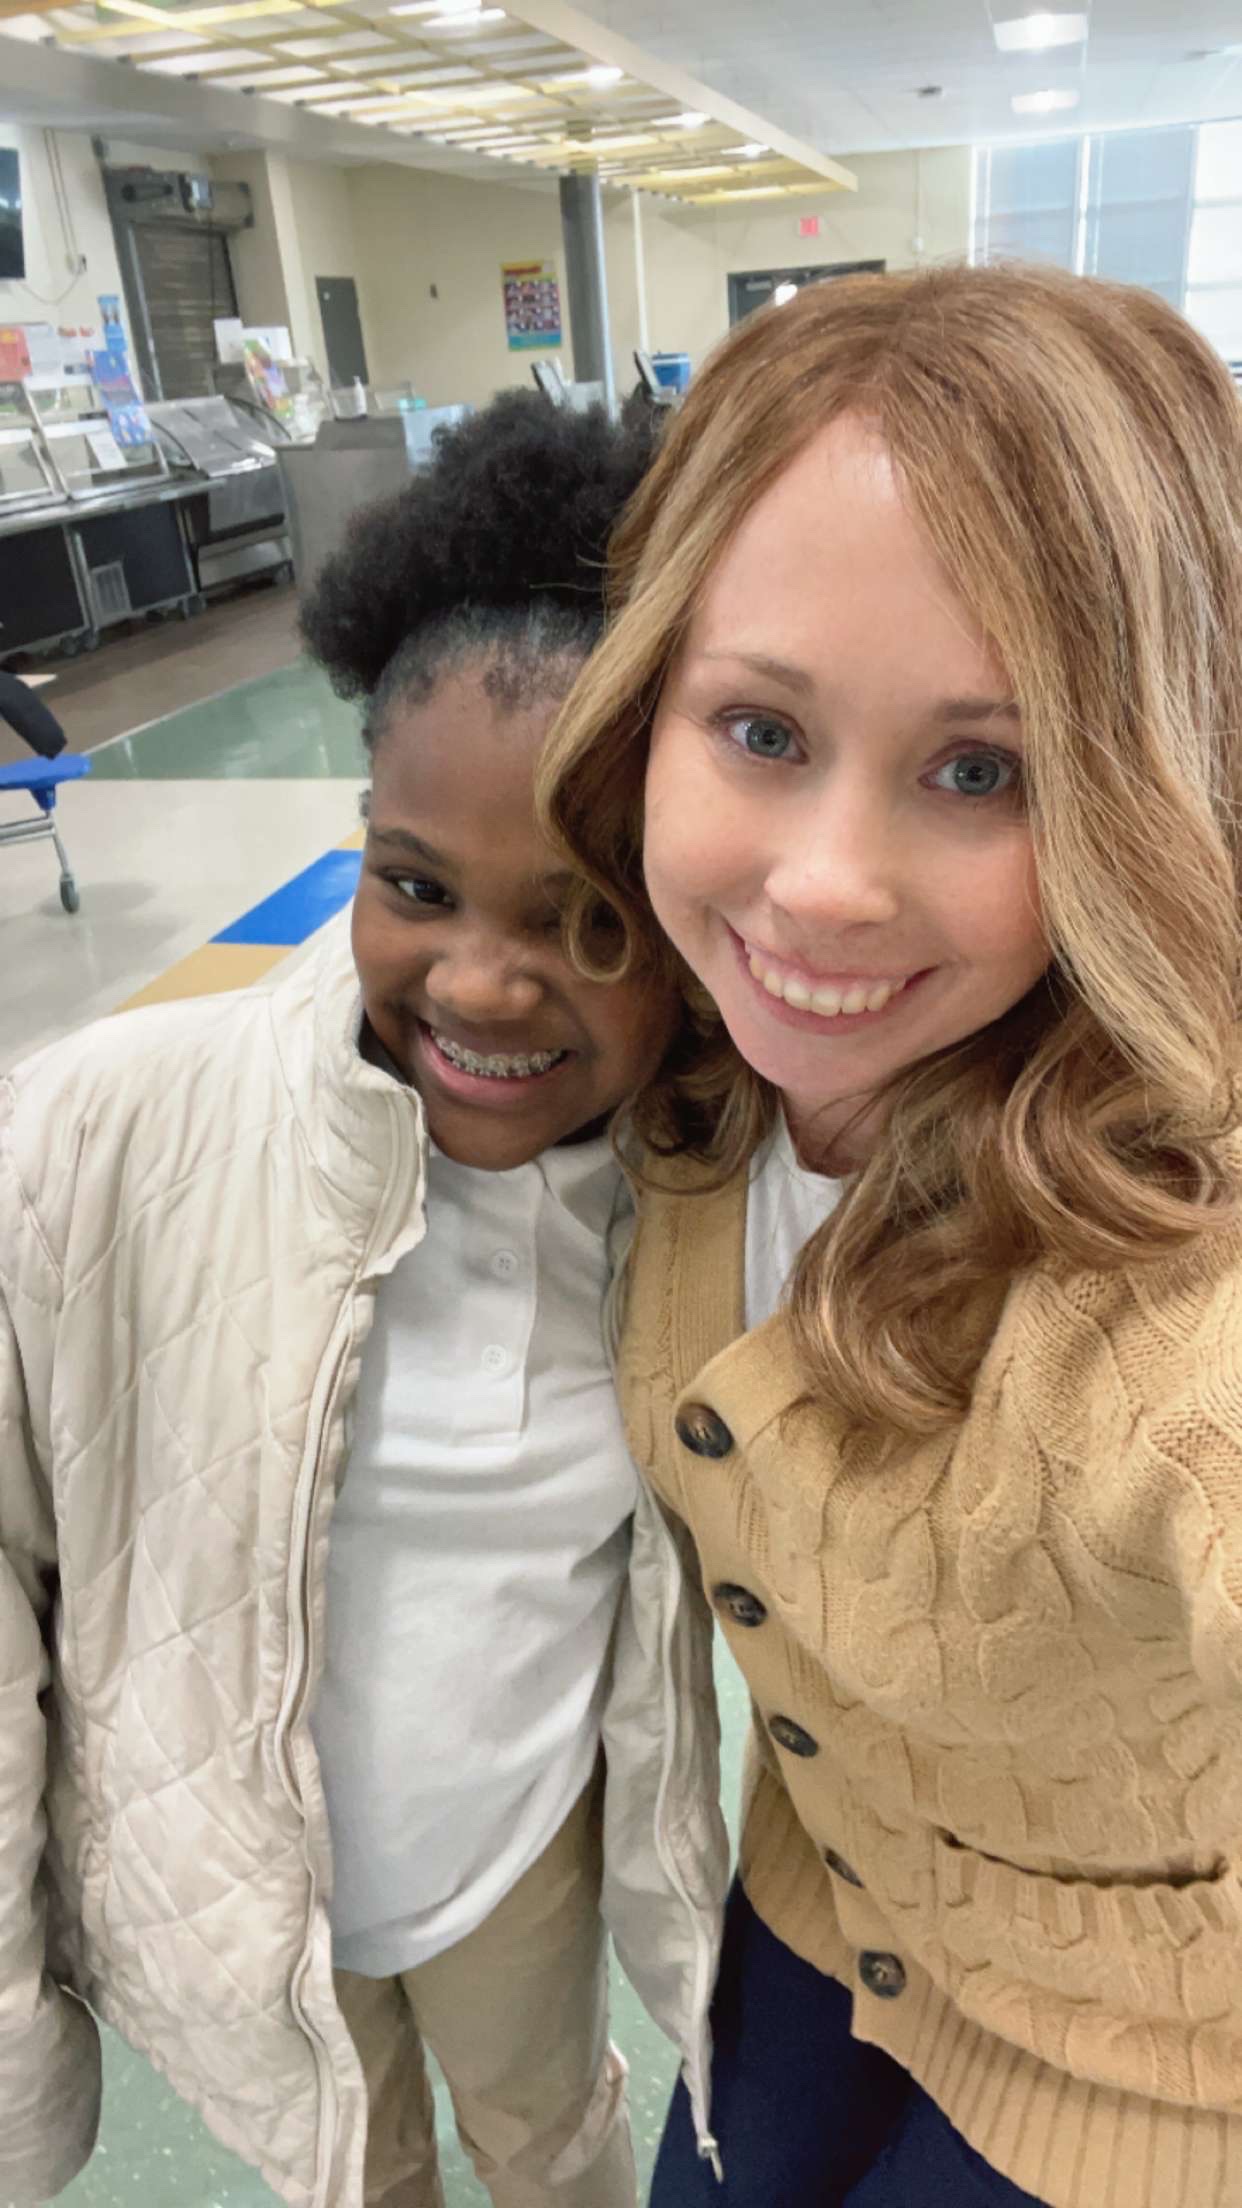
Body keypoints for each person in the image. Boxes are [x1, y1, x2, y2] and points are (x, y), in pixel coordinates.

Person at [539, 262, 1242, 2208]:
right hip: (814, 1905)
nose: (825, 889)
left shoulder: (1169, 1283)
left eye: (979, 770)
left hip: (1167, 2077)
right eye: (759, 730)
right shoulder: (677, 1069)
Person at [0, 392, 728, 2208]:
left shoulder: (717, 1192)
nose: (479, 984)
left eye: (585, 917)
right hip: (237, 1872)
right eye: (415, 886)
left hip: (519, 1845)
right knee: (353, 2167)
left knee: (550, 2134)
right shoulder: (97, 1139)